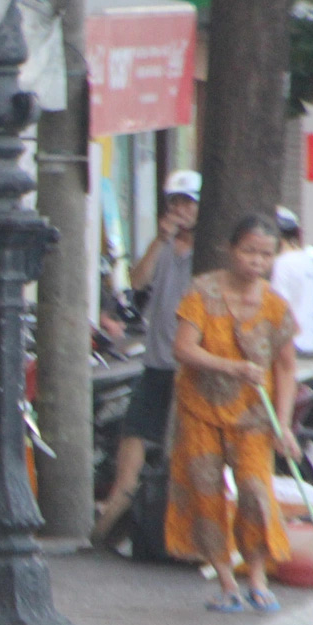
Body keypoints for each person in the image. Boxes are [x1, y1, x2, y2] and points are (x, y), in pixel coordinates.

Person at [168, 214, 300, 614]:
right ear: (230, 250)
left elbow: (286, 368)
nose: (256, 262)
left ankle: (257, 578)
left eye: (265, 254)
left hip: (255, 417)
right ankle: (226, 582)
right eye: (248, 251)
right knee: (206, 494)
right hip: (201, 409)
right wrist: (231, 368)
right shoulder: (202, 292)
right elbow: (184, 348)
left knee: (256, 493)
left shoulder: (276, 306)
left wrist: (285, 423)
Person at [93, 169, 201, 547]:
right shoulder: (166, 250)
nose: (182, 210)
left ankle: (171, 540)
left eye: (190, 202)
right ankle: (101, 535)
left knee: (178, 457)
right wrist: (159, 240)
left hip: (190, 370)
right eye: (176, 202)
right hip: (156, 366)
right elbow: (137, 282)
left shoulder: (206, 256)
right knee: (131, 448)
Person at [270, 206, 313, 356]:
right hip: (308, 341)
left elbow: (278, 306)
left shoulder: (281, 263)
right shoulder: (307, 260)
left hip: (289, 345)